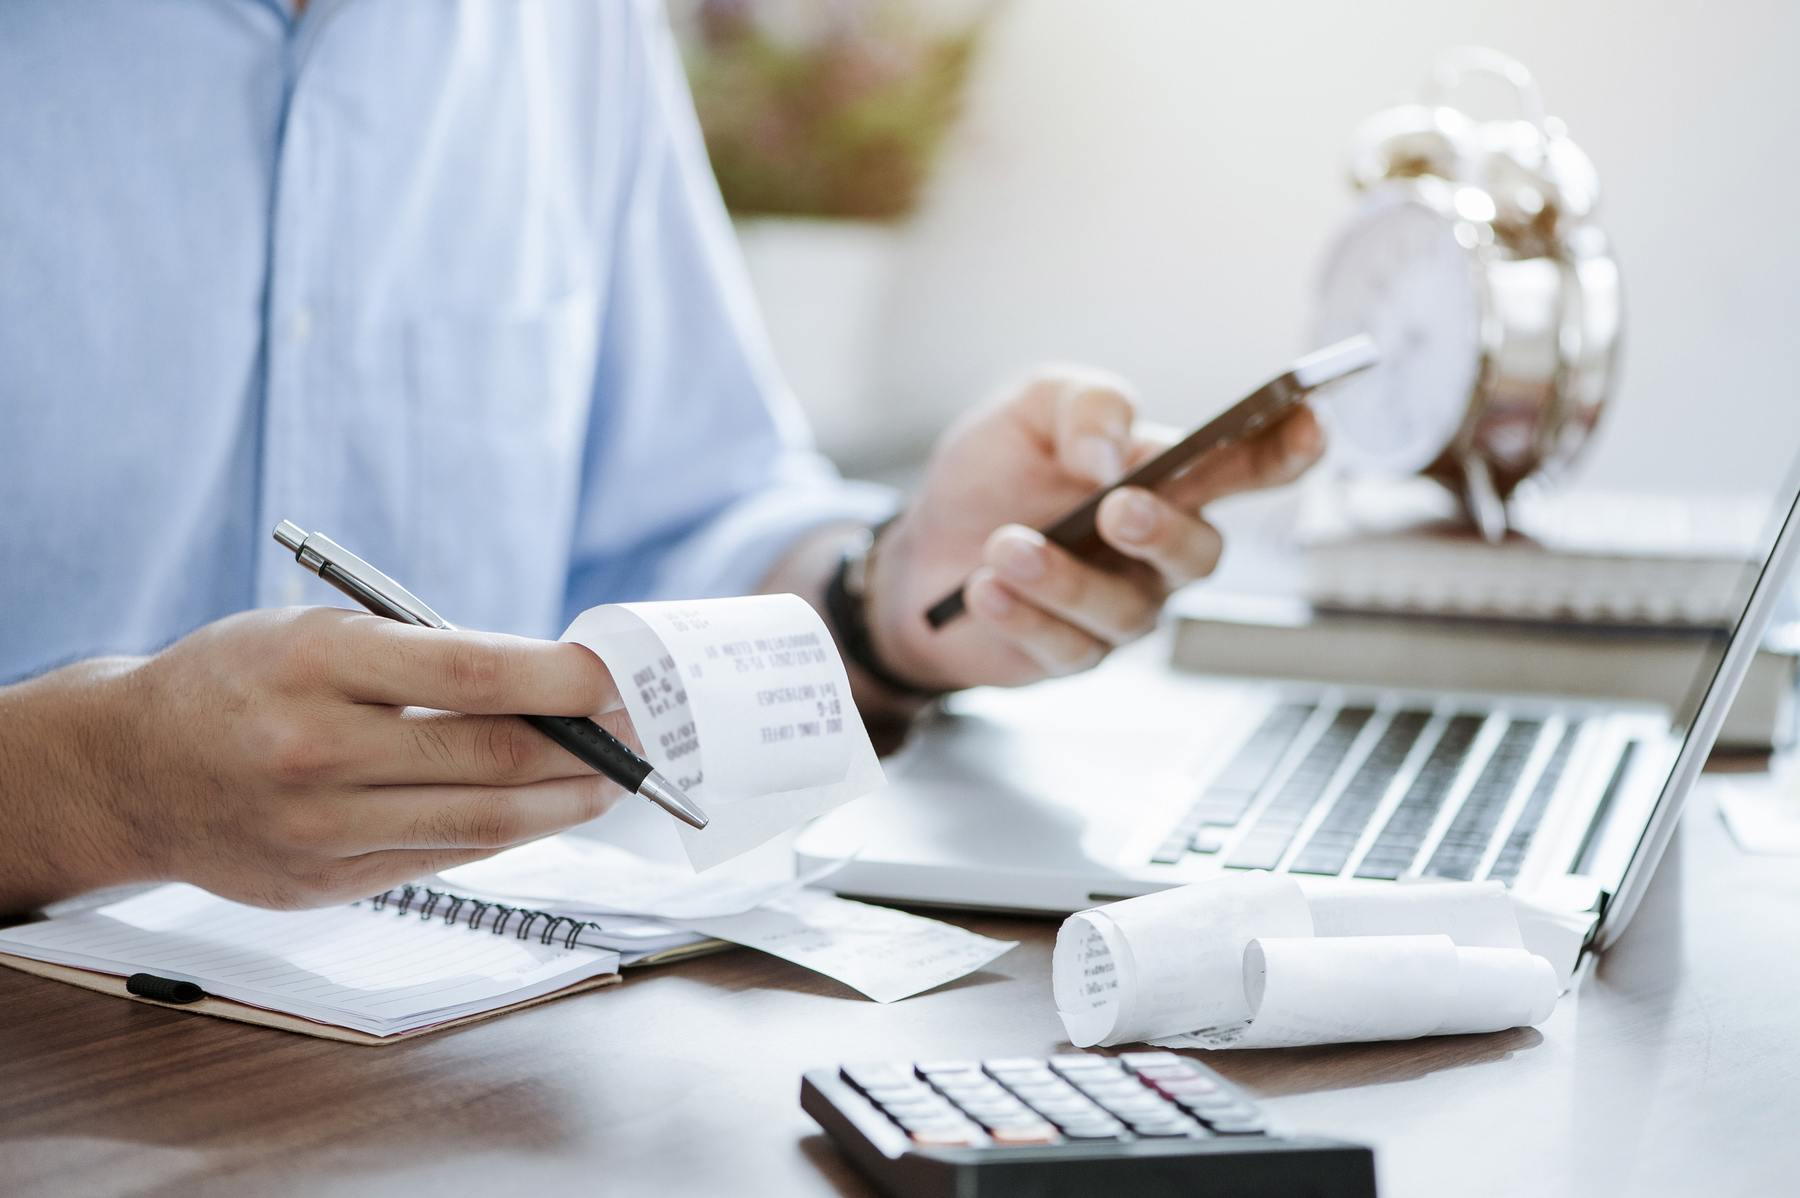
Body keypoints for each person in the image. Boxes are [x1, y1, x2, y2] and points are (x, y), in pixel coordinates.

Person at [0, 1, 1321, 915]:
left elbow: (683, 512)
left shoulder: (568, 27)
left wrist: (900, 589)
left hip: (449, 1043)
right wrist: (98, 784)